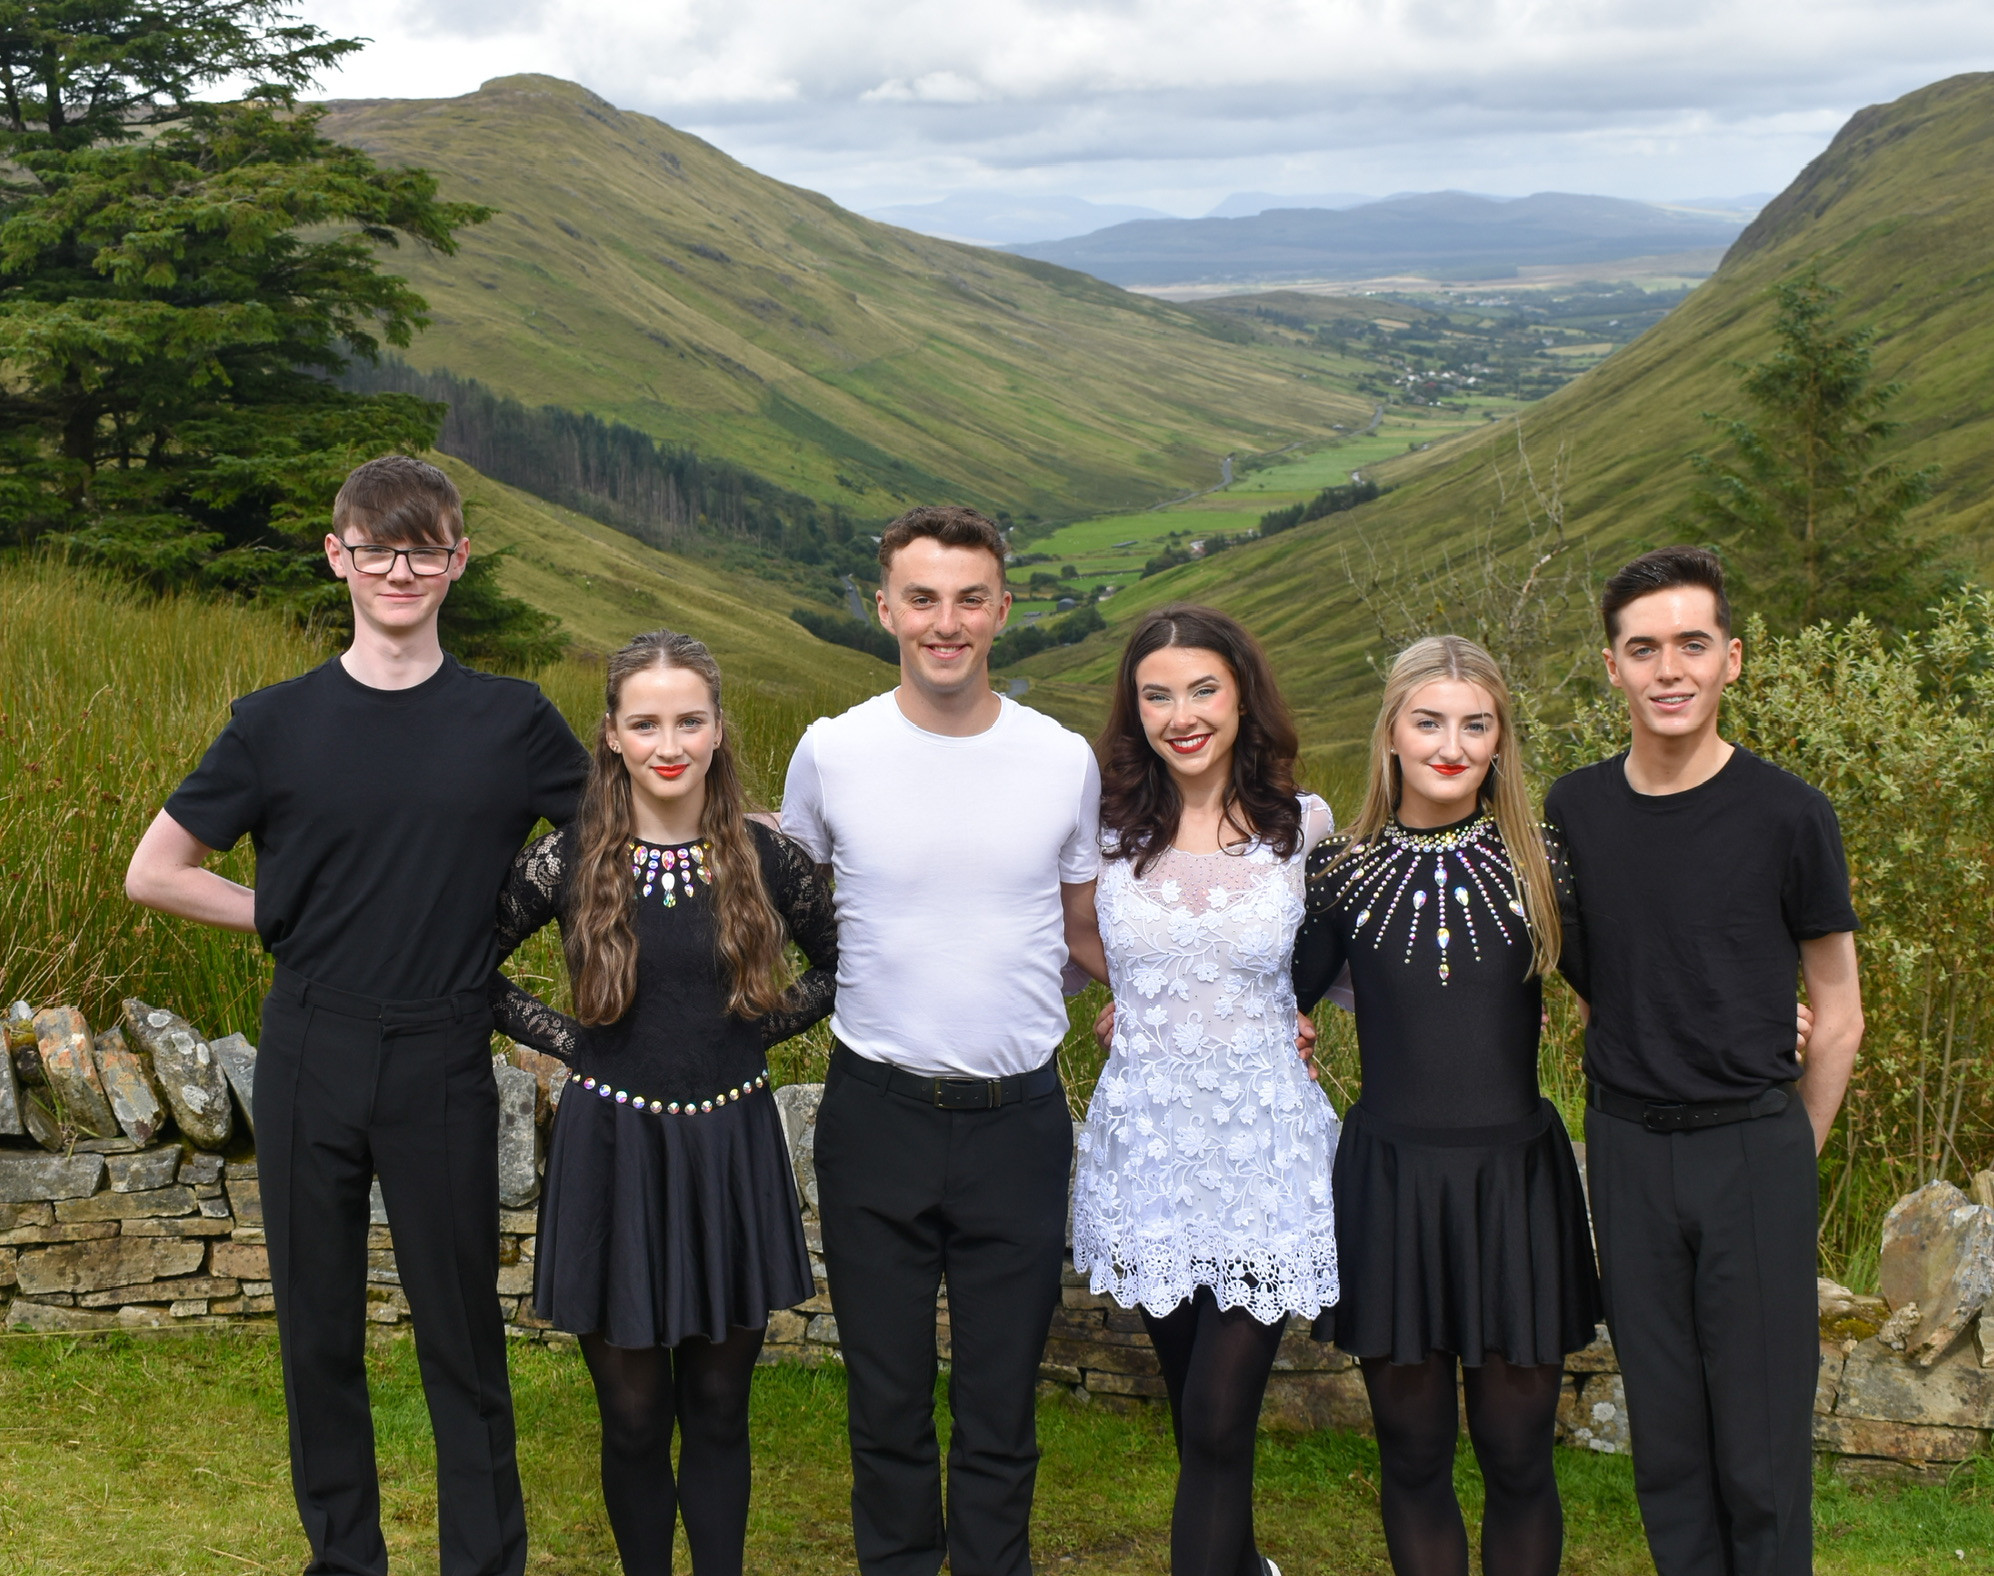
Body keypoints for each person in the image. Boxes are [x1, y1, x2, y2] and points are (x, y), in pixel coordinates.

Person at [125, 455, 590, 1576]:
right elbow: (156, 869)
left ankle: (484, 1563)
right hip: (310, 1047)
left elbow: (623, 838)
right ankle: (345, 1558)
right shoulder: (274, 724)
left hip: (440, 1049)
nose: (399, 569)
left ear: (455, 559)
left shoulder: (513, 719)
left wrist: (752, 824)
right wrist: (278, 914)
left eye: (422, 547)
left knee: (461, 1332)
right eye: (375, 548)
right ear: (338, 556)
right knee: (318, 1331)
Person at [779, 504, 1101, 1576]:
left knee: (1002, 1404)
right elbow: (785, 901)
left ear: (1001, 610)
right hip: (875, 1112)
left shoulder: (1060, 760)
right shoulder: (831, 752)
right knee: (886, 1401)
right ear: (885, 610)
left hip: (1017, 1119)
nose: (945, 622)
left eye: (969, 599)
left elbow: (1088, 932)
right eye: (922, 598)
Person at [489, 629, 836, 1576]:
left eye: (689, 720)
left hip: (730, 1146)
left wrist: (747, 1033)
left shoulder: (766, 858)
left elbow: (839, 965)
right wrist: (581, 1044)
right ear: (612, 734)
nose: (668, 742)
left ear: (720, 730)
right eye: (645, 722)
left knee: (720, 1410)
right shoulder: (571, 858)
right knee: (636, 1415)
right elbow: (470, 969)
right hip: (612, 1150)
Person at [1547, 546, 1863, 1576]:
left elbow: (1837, 1004)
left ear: (1730, 658)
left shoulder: (1789, 814)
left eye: (1690, 643)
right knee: (1668, 1444)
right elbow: (1596, 978)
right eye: (1642, 648)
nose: (1667, 668)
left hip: (1750, 1148)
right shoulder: (1573, 811)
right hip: (1629, 1150)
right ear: (1611, 668)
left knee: (1762, 1450)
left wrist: (1786, 1151)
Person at [1292, 635, 1600, 1576]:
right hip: (1390, 1187)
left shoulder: (1540, 857)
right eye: (1429, 722)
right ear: (1391, 732)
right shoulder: (1340, 870)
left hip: (1514, 1185)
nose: (1451, 745)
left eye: (1476, 724)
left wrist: (1754, 1010)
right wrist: (1137, 1012)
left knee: (1516, 1459)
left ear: (1500, 738)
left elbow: (1628, 981)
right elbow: (1271, 997)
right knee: (1414, 1457)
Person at [1071, 604, 1341, 1576]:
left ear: (1240, 695)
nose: (1179, 714)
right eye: (1156, 694)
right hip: (1145, 1156)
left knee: (1222, 1418)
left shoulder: (1300, 826)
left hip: (1261, 1153)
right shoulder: (1104, 833)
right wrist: (1134, 991)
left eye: (1201, 690)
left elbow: (1333, 960)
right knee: (1195, 1412)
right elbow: (1067, 940)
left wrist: (1291, 1009)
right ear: (1133, 707)